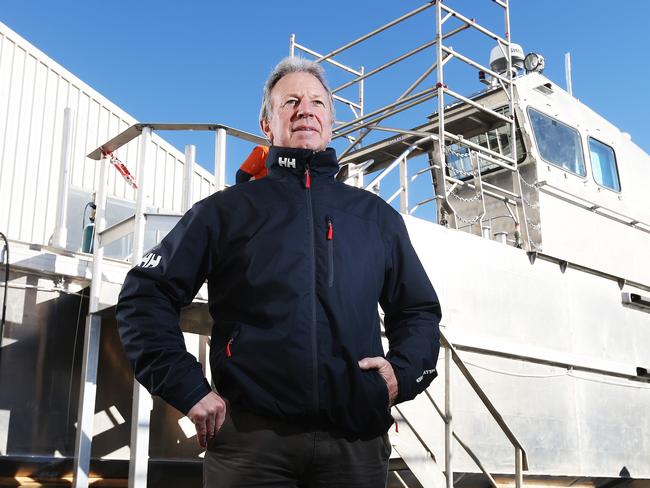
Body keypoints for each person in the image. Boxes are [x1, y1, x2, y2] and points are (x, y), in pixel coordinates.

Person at [116, 56, 441, 487]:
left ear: (330, 120)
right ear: (268, 124)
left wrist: (400, 376)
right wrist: (189, 390)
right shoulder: (225, 212)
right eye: (289, 102)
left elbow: (418, 311)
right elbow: (145, 296)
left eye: (316, 102)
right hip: (251, 446)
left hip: (355, 445)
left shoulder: (375, 218)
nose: (305, 109)